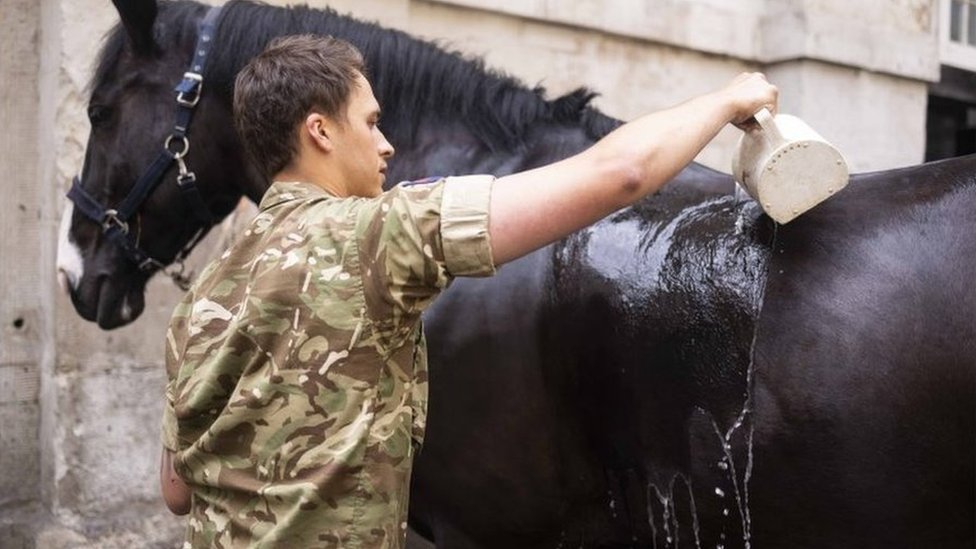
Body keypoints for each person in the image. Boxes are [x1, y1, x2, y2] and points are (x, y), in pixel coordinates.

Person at [159, 34, 778, 548]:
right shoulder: (377, 234)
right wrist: (727, 100)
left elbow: (177, 491)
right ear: (320, 131)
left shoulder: (200, 298)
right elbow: (619, 174)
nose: (386, 144)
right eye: (371, 122)